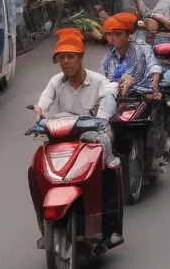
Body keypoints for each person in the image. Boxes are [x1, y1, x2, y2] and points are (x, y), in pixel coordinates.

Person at [35, 28, 122, 248]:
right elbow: (44, 101)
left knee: (107, 166)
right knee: (35, 167)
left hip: (92, 135)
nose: (66, 62)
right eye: (61, 57)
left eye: (70, 56)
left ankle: (110, 227)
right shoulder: (56, 81)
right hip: (60, 135)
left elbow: (109, 99)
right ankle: (45, 227)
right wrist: (39, 112)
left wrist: (101, 120)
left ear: (81, 57)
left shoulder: (99, 81)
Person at [100, 13, 162, 99]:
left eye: (118, 34)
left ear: (128, 35)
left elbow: (151, 68)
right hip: (115, 95)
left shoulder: (141, 51)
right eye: (109, 34)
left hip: (140, 94)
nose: (112, 38)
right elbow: (105, 80)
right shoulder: (107, 59)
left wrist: (155, 82)